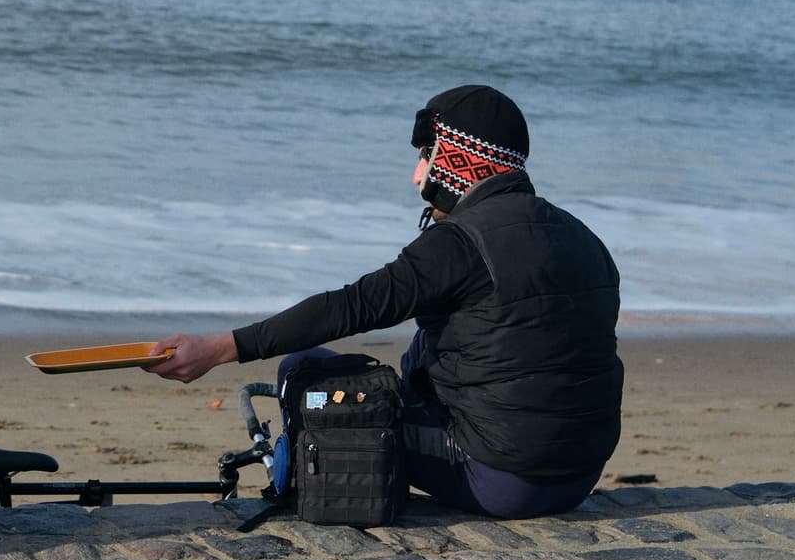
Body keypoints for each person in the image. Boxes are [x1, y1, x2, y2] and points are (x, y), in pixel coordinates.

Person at [149, 85, 621, 518]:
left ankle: (297, 486)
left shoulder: (459, 244)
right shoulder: (584, 238)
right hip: (578, 475)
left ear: (458, 160)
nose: (419, 173)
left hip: (502, 479)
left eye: (427, 155)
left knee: (303, 369)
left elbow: (349, 307)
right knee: (429, 338)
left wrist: (217, 348)